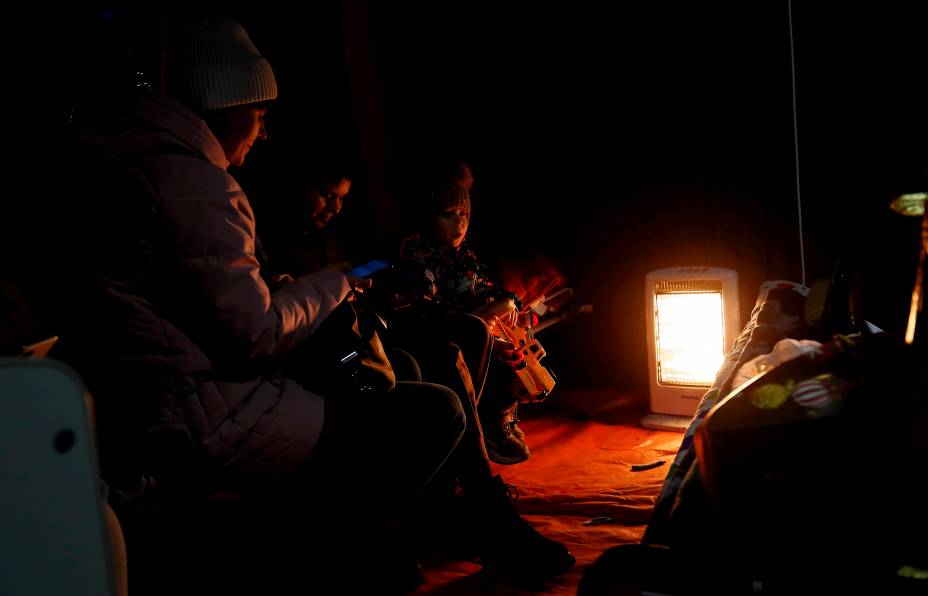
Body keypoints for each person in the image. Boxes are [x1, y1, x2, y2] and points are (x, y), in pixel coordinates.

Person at [54, 17, 572, 593]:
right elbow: (253, 330)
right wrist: (339, 281)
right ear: (230, 106)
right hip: (222, 404)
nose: (263, 131)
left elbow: (231, 296)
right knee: (432, 398)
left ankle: (452, 514)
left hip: (228, 385)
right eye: (260, 115)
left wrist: (350, 281)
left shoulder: (144, 172)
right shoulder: (198, 188)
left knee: (425, 361)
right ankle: (377, 542)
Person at [391, 167, 534, 465]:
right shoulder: (420, 259)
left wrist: (506, 299)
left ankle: (504, 418)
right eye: (448, 214)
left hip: (477, 325)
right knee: (491, 349)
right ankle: (490, 428)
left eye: (463, 214)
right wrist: (481, 315)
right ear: (429, 218)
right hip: (448, 333)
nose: (459, 222)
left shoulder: (463, 255)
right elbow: (425, 312)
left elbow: (479, 284)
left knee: (517, 348)